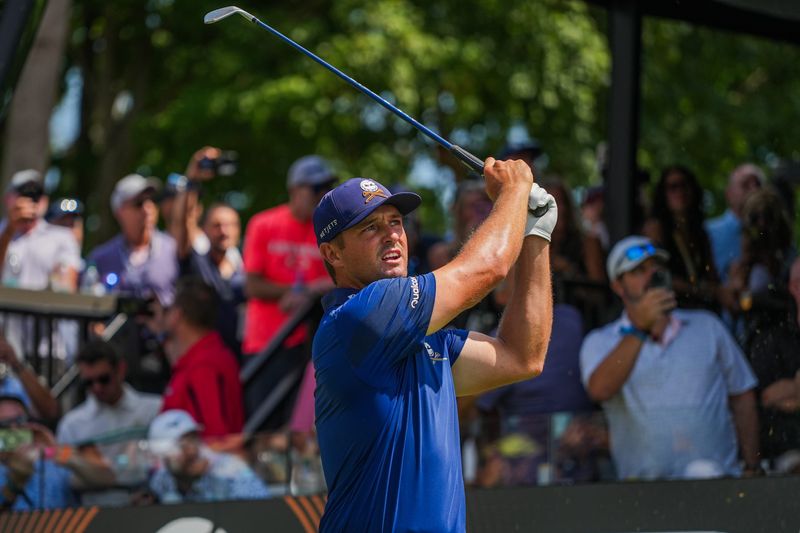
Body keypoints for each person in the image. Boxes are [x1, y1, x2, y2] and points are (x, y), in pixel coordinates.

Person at [312, 158, 556, 531]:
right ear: (333, 254)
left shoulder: (420, 338)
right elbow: (487, 267)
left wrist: (535, 235)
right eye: (370, 228)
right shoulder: (359, 317)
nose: (392, 234)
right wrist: (514, 191)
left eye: (396, 222)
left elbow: (523, 357)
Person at [580, 235, 761, 480]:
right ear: (618, 286)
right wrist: (641, 329)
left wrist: (751, 466)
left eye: (657, 267)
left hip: (717, 485)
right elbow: (600, 389)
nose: (652, 275)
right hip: (641, 495)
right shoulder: (599, 341)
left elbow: (743, 396)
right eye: (638, 271)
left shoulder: (708, 326)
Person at [242, 154, 336, 355]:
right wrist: (300, 290)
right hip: (265, 345)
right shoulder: (263, 224)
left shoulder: (330, 230)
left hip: (313, 346)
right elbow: (252, 286)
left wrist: (309, 292)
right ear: (294, 189)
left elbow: (341, 281)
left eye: (328, 187)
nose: (324, 194)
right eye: (316, 188)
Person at [155, 278, 244, 438]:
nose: (163, 313)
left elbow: (217, 437)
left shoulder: (204, 366)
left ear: (177, 315)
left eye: (168, 309)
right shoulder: (203, 357)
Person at [0, 393, 114, 510]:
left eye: (19, 420)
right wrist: (14, 483)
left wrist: (57, 451)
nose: (14, 428)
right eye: (4, 425)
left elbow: (106, 480)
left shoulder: (53, 463)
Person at [88, 173, 178, 305]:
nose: (147, 209)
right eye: (139, 203)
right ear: (120, 211)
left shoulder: (174, 250)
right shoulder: (100, 259)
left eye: (152, 200)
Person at [57, 340, 162, 452]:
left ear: (121, 370)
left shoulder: (154, 410)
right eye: (88, 382)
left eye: (104, 379)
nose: (97, 387)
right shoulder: (72, 424)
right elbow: (62, 461)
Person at [147, 410, 269, 503]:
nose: (192, 450)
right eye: (182, 445)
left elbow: (262, 508)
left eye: (194, 439)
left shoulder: (228, 469)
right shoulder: (160, 478)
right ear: (163, 456)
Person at [747, 256, 800, 467]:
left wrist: (795, 389)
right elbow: (767, 398)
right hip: (787, 451)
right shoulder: (772, 339)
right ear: (796, 287)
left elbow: (785, 396)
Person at [643, 166, 720, 309]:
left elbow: (712, 274)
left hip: (703, 308)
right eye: (672, 187)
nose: (679, 192)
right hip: (671, 308)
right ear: (663, 193)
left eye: (684, 185)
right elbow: (656, 274)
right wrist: (701, 290)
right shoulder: (656, 228)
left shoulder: (699, 231)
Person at [705, 163, 764, 282]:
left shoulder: (776, 235)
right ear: (729, 194)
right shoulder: (708, 232)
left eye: (758, 185)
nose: (754, 190)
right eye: (745, 185)